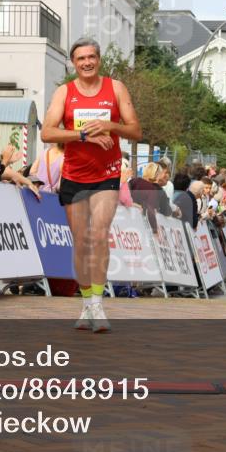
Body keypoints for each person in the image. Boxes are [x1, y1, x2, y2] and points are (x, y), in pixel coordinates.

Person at [41, 37, 141, 333]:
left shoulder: (115, 88)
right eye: (81, 58)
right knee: (82, 241)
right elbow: (47, 132)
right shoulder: (65, 92)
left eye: (91, 57)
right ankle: (86, 303)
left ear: (99, 60)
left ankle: (97, 302)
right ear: (74, 63)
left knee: (99, 235)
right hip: (74, 175)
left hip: (107, 174)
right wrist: (82, 135)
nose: (86, 62)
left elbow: (135, 129)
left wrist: (111, 125)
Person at [129, 162, 173, 233]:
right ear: (156, 175)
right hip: (141, 225)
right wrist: (155, 230)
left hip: (127, 219)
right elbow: (150, 210)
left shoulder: (134, 181)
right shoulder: (152, 189)